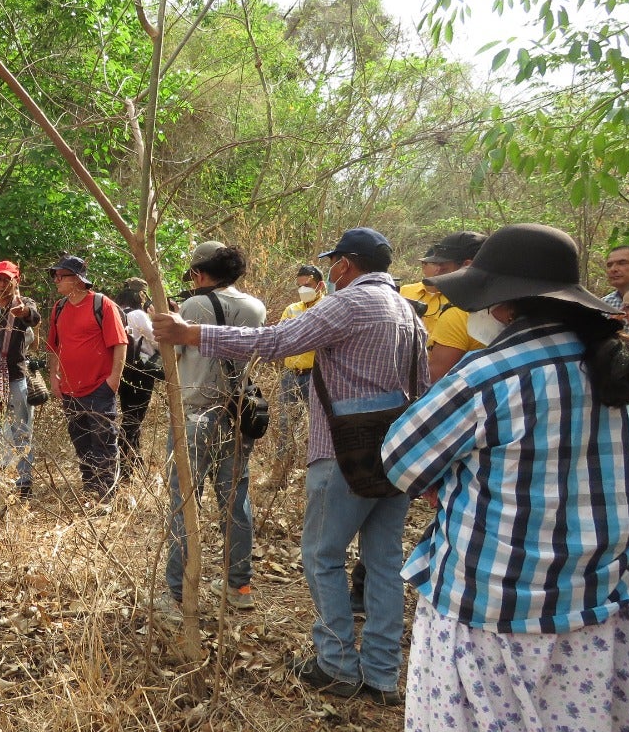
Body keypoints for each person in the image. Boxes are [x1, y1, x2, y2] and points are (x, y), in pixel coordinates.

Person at [382, 223, 629, 732]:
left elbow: (402, 459)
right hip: (604, 613)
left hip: (495, 618)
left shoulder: (489, 374)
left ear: (502, 305)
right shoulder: (614, 368)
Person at [154, 227, 427, 703]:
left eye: (335, 262)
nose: (332, 271)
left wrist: (190, 332)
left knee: (323, 556)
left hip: (344, 449)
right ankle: (383, 675)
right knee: (384, 561)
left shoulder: (348, 303)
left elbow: (279, 342)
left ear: (346, 264)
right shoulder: (407, 309)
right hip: (397, 449)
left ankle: (337, 664)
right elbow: (421, 385)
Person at [161, 243, 266, 614]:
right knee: (235, 501)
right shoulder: (256, 307)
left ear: (200, 274)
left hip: (196, 415)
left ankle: (175, 593)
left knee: (183, 502)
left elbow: (171, 359)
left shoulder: (192, 308)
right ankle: (240, 589)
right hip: (239, 415)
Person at [46, 255, 128, 506]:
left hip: (99, 389)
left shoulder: (103, 305)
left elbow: (120, 344)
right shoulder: (59, 308)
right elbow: (53, 346)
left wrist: (113, 380)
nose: (56, 281)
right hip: (70, 390)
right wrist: (54, 377)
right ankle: (90, 490)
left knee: (103, 442)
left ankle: (106, 497)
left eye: (61, 276)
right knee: (81, 441)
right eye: (55, 276)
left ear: (78, 280)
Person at [0, 259, 40, 498]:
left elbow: (34, 318)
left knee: (22, 429)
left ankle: (24, 482)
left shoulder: (25, 303)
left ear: (17, 280)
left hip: (15, 377)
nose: (3, 283)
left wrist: (24, 312)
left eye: (7, 278)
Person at [270, 263, 326, 483]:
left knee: (319, 427)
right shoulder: (292, 309)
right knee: (286, 425)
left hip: (317, 375)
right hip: (290, 375)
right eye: (300, 285)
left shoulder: (327, 307)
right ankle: (278, 476)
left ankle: (315, 477)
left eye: (308, 285)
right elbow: (281, 337)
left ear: (320, 284)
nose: (303, 289)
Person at [419, 231, 488, 381]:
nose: (437, 274)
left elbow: (432, 379)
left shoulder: (458, 315)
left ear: (467, 266)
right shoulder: (502, 306)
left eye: (443, 268)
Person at [115, 276, 161, 477]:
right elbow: (158, 341)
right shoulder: (139, 315)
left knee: (128, 413)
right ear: (140, 295)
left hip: (122, 370)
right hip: (141, 372)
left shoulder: (116, 312)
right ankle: (125, 463)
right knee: (135, 418)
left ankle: (133, 459)